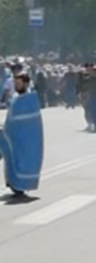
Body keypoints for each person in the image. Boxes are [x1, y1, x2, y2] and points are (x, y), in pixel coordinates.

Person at [1, 69, 44, 199]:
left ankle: (20, 185)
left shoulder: (30, 99)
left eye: (18, 83)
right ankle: (14, 183)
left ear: (26, 84)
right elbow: (12, 118)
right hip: (13, 136)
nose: (16, 86)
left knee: (22, 160)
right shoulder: (16, 98)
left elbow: (29, 122)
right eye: (15, 83)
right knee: (11, 159)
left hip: (26, 138)